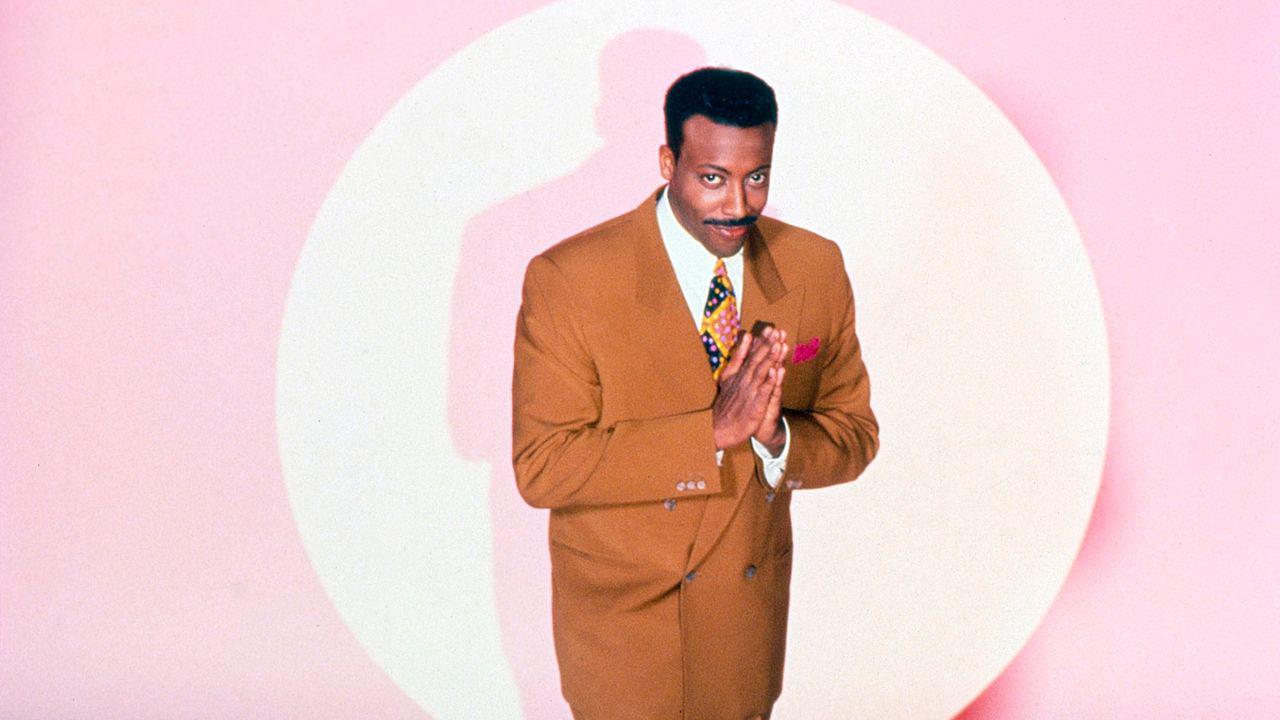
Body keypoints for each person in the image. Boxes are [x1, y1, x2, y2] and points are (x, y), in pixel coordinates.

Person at [511, 66, 879, 720]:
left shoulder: (814, 266)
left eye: (756, 177)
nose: (738, 204)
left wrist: (776, 438)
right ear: (667, 163)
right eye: (712, 178)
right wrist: (709, 433)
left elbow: (853, 436)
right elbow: (543, 468)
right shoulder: (570, 279)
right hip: (626, 635)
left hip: (744, 631)